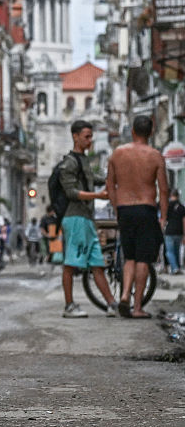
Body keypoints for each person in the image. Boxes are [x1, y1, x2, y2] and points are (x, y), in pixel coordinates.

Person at [106, 115, 169, 318]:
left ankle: (125, 294)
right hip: (146, 209)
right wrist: (163, 218)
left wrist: (117, 209)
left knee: (129, 257)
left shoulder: (117, 154)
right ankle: (137, 307)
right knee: (143, 259)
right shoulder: (156, 156)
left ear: (132, 131)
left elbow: (110, 185)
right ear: (151, 133)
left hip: (125, 209)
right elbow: (164, 190)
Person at [58, 120, 117, 318]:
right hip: (75, 218)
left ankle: (111, 303)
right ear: (75, 136)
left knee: (97, 263)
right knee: (71, 263)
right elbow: (71, 192)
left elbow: (94, 179)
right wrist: (98, 196)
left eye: (91, 137)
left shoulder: (83, 160)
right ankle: (69, 306)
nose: (90, 141)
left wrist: (114, 180)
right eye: (87, 137)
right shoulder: (69, 163)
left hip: (87, 218)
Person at [163, 189, 185, 275]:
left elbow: (164, 219)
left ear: (171, 195)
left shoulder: (167, 206)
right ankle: (176, 268)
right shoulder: (182, 207)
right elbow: (184, 221)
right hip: (179, 232)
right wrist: (184, 234)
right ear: (178, 196)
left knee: (169, 252)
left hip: (169, 231)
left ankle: (175, 268)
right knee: (176, 251)